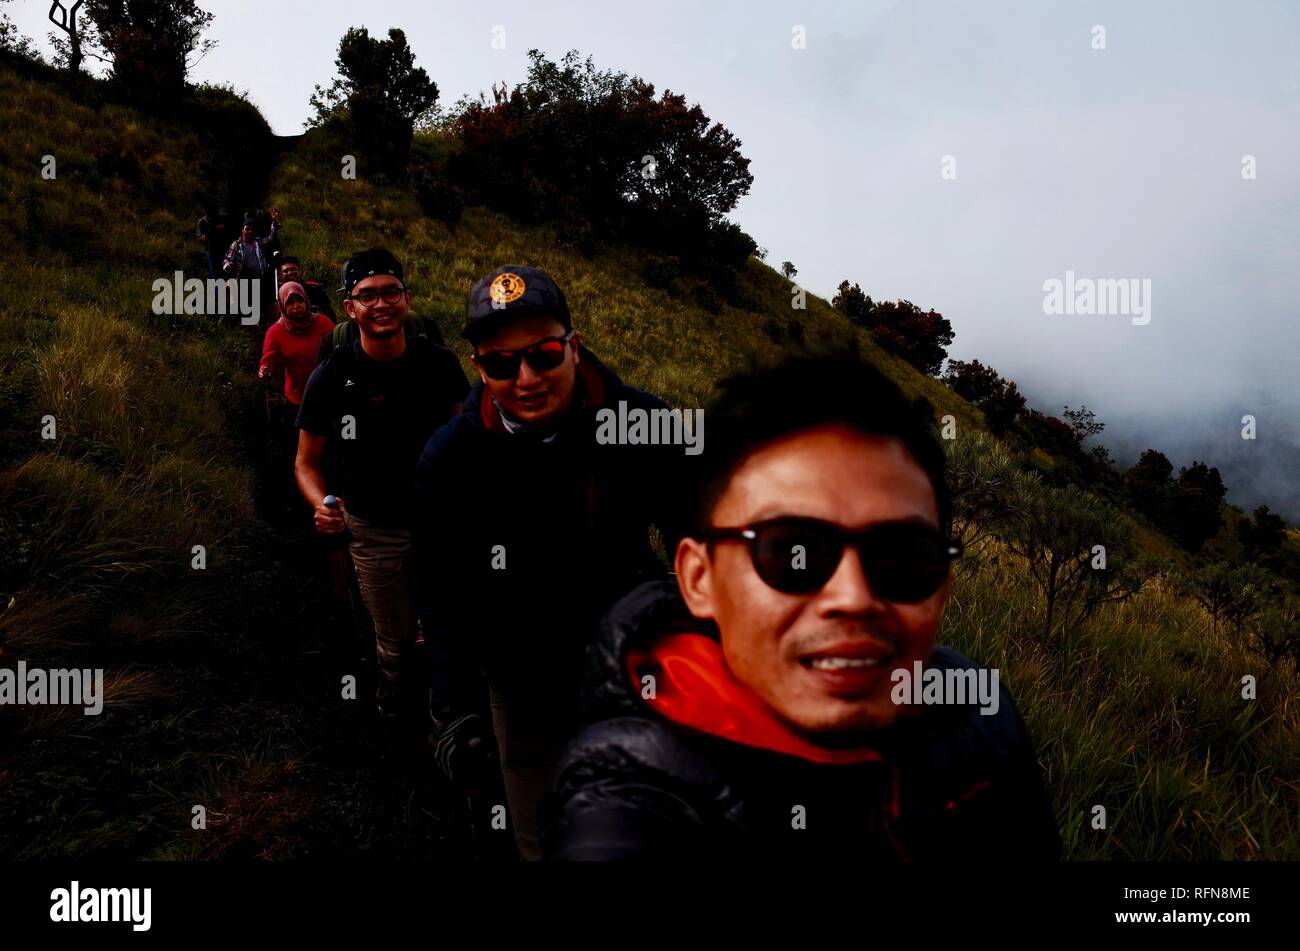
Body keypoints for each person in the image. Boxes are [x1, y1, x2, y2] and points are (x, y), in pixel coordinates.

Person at [541, 352, 1061, 861]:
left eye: (903, 556)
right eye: (791, 553)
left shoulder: (977, 715)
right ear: (700, 580)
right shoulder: (632, 800)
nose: (854, 598)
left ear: (942, 587)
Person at [413, 265, 679, 860]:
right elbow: (442, 585)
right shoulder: (452, 456)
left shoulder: (643, 425)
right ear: (479, 366)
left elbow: (700, 544)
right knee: (537, 826)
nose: (526, 378)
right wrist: (455, 706)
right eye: (502, 364)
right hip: (518, 670)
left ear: (574, 347)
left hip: (630, 667)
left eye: (544, 354)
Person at [295, 249, 469, 716]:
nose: (381, 304)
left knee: (447, 624)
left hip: (440, 524)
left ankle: (449, 714)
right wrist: (322, 504)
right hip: (372, 527)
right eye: (367, 296)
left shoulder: (440, 365)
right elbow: (306, 462)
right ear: (350, 309)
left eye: (390, 292)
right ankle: (395, 693)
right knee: (392, 631)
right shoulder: (332, 375)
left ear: (406, 299)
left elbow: (469, 439)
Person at [258, 281, 335, 405]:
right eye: (290, 302)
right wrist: (265, 370)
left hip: (328, 392)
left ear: (306, 300)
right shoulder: (275, 332)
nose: (296, 306)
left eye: (300, 300)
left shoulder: (323, 322)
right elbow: (268, 361)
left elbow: (340, 348)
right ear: (282, 306)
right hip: (298, 397)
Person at [276, 255, 337, 321]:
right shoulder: (277, 295)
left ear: (300, 271)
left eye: (293, 269)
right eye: (285, 271)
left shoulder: (314, 289)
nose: (290, 273)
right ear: (280, 275)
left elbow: (329, 314)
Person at [196, 207, 230, 280]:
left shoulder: (222, 219)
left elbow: (229, 232)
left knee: (225, 272)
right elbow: (199, 237)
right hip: (211, 250)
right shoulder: (202, 222)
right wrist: (202, 238)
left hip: (224, 249)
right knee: (215, 274)